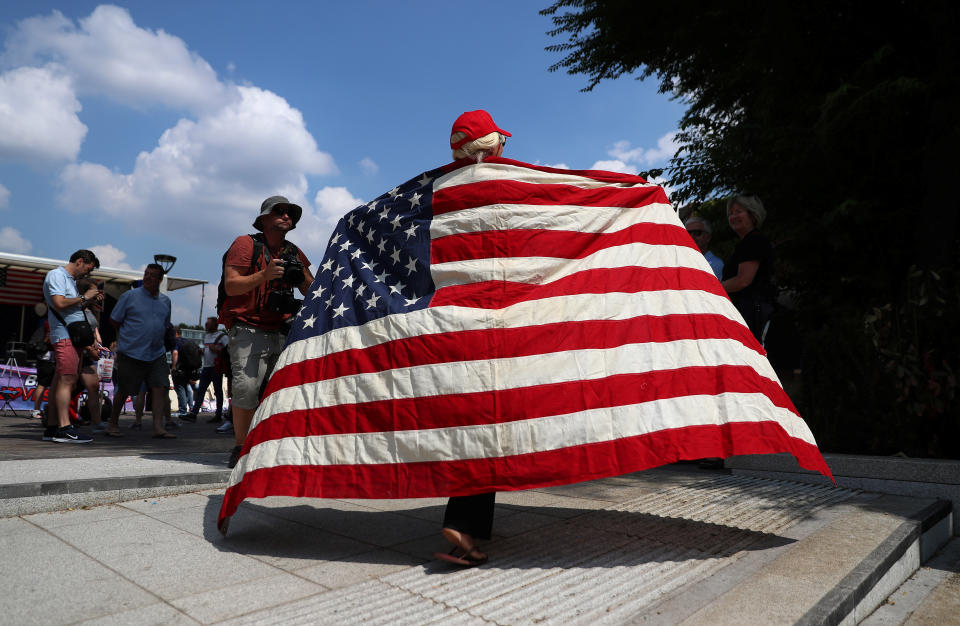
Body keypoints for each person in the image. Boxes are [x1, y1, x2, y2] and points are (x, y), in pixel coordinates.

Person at [432, 110, 512, 567]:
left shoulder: (437, 192)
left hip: (450, 326)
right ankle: (464, 525)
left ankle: (469, 524)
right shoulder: (506, 186)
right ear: (493, 146)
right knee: (490, 422)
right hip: (495, 325)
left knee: (471, 421)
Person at [219, 195, 314, 467]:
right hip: (248, 327)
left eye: (290, 213)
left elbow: (312, 288)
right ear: (263, 219)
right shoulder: (245, 244)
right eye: (279, 211)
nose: (286, 216)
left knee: (280, 392)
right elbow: (232, 286)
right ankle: (240, 447)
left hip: (283, 329)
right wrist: (265, 275)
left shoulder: (293, 251)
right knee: (247, 388)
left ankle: (270, 445)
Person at [106, 264, 176, 438]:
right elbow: (114, 320)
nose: (148, 277)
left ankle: (158, 427)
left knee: (160, 387)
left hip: (157, 352)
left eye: (152, 275)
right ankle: (112, 423)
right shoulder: (129, 296)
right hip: (131, 352)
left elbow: (165, 325)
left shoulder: (166, 301)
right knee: (124, 390)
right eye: (146, 274)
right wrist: (126, 339)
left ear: (160, 280)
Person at [41, 249, 101, 443]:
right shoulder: (57, 275)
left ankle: (52, 427)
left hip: (69, 336)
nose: (87, 274)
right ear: (80, 261)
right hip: (65, 336)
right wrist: (86, 297)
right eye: (88, 269)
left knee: (60, 381)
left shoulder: (68, 280)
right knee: (67, 380)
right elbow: (59, 303)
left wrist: (87, 300)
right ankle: (64, 427)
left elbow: (69, 306)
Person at [721, 195, 776, 343]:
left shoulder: (754, 241)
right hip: (748, 312)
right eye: (730, 213)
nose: (733, 217)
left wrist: (711, 287)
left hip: (752, 314)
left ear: (753, 215)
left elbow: (742, 281)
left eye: (738, 211)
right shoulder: (747, 242)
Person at [76, 278, 108, 432]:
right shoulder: (77, 309)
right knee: (72, 387)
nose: (98, 294)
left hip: (88, 355)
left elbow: (94, 330)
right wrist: (90, 348)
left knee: (92, 387)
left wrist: (99, 346)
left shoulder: (90, 310)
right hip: (78, 353)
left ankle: (96, 421)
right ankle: (56, 419)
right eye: (95, 290)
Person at [184, 317, 228, 423]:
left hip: (216, 368)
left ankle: (218, 415)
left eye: (207, 324)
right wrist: (202, 351)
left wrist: (217, 350)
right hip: (207, 367)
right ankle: (194, 413)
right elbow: (208, 350)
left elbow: (228, 351)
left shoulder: (223, 337)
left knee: (218, 391)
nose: (205, 326)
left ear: (214, 325)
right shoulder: (207, 336)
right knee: (201, 390)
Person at [684, 215, 724, 280]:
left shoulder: (716, 265)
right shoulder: (680, 261)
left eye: (697, 233)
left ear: (708, 237)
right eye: (687, 233)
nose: (691, 237)